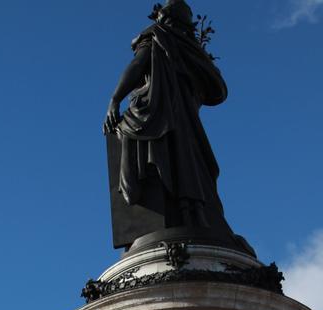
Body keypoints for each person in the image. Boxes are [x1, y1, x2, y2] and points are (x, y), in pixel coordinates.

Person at [103, 0, 251, 254]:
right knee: (190, 165)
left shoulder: (157, 38)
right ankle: (191, 212)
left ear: (164, 19)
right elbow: (216, 90)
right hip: (184, 124)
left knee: (152, 147)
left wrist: (114, 100)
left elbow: (137, 66)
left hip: (163, 119)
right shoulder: (190, 52)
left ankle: (178, 215)